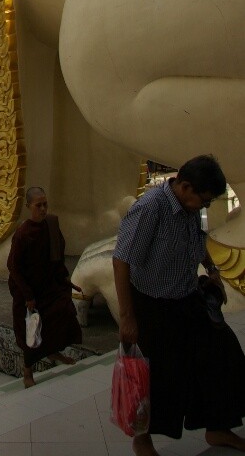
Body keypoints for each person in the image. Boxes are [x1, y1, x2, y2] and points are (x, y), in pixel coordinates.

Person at [113, 154, 245, 456]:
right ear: (185, 187)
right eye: (204, 200)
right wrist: (127, 317)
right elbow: (121, 260)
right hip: (152, 305)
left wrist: (212, 271)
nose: (204, 206)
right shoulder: (150, 209)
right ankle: (142, 439)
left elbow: (194, 242)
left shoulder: (188, 207)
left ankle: (218, 428)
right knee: (159, 378)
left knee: (222, 356)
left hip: (186, 298)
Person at [7, 186, 82, 388]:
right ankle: (27, 372)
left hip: (49, 284)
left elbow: (57, 257)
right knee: (32, 331)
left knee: (63, 311)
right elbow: (13, 266)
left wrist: (66, 280)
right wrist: (28, 295)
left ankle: (53, 351)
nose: (42, 209)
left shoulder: (51, 224)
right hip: (28, 290)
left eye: (45, 204)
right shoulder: (22, 234)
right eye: (38, 205)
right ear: (28, 207)